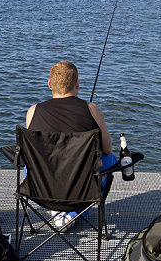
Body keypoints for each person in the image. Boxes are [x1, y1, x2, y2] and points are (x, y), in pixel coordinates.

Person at [26, 60, 117, 227]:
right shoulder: (92, 110)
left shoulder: (33, 111)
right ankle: (74, 212)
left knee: (29, 161)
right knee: (109, 158)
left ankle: (60, 210)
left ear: (49, 84)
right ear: (77, 83)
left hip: (41, 190)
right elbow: (107, 148)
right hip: (82, 191)